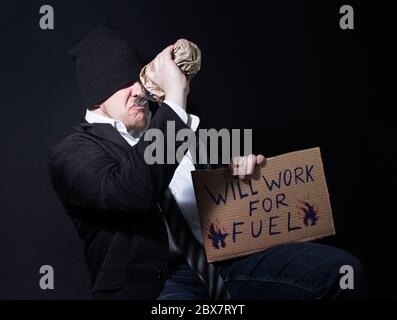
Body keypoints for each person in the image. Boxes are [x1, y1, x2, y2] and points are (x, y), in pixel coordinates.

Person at [48, 19, 365, 300]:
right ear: (96, 95)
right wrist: (175, 97)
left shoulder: (168, 128)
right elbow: (133, 191)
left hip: (225, 261)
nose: (138, 91)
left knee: (341, 272)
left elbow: (203, 203)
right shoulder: (71, 150)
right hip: (157, 283)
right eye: (120, 84)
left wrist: (236, 178)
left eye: (137, 79)